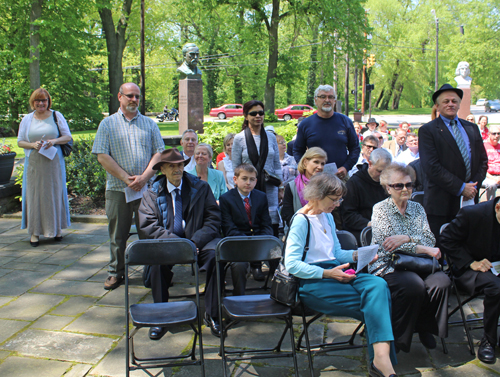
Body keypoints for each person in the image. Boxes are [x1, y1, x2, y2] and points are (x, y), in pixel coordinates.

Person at [285, 173, 397, 377]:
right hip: (314, 281)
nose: (337, 205)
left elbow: (336, 253)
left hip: (339, 271)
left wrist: (360, 254)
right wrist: (327, 273)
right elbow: (291, 264)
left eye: (339, 200)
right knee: (378, 305)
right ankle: (383, 362)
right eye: (334, 200)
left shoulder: (327, 216)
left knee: (378, 285)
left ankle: (381, 361)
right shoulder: (301, 221)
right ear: (318, 195)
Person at [138, 148, 222, 338]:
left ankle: (213, 314)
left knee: (216, 256)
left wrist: (194, 241)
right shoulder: (151, 194)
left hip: (197, 242)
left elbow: (213, 219)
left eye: (180, 165)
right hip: (168, 244)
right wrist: (177, 244)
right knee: (157, 263)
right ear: (163, 170)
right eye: (171, 166)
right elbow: (147, 226)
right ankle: (160, 316)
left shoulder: (200, 188)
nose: (177, 170)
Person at [369, 163, 451, 353]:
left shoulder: (417, 208)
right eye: (399, 185)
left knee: (442, 282)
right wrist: (421, 247)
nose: (405, 189)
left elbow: (430, 239)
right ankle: (399, 339)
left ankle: (424, 327)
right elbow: (387, 245)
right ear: (388, 188)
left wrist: (407, 238)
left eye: (409, 184)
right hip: (389, 265)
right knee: (414, 286)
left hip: (419, 264)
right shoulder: (380, 209)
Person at [92, 82, 164, 290]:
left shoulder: (149, 124)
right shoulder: (107, 124)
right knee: (117, 234)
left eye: (137, 97)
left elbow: (158, 153)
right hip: (117, 189)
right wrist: (125, 178)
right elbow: (102, 155)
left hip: (146, 189)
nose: (134, 100)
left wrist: (143, 177)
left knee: (148, 232)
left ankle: (151, 272)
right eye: (130, 96)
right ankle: (116, 272)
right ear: (120, 97)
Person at [419, 83, 488, 239]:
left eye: (454, 101)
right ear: (437, 105)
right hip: (441, 203)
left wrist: (472, 187)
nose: (451, 104)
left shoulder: (472, 128)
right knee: (442, 249)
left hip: (470, 199)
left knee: (468, 244)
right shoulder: (428, 131)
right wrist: (460, 187)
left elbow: (483, 161)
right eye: (446, 101)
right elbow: (431, 166)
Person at [440, 197, 500, 364]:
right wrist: (471, 262)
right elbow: (446, 239)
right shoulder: (472, 214)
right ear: (498, 207)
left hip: (495, 265)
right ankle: (488, 341)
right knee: (496, 288)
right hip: (469, 267)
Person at [232, 100, 281, 280]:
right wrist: (241, 184)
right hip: (248, 187)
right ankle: (255, 264)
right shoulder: (239, 139)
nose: (258, 116)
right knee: (251, 221)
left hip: (269, 187)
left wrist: (280, 185)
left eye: (261, 112)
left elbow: (276, 164)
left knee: (271, 222)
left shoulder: (271, 137)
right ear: (246, 116)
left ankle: (273, 260)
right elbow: (236, 165)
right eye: (253, 113)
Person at [17, 88, 72, 247]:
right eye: (37, 100)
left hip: (53, 161)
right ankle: (35, 232)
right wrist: (33, 145)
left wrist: (53, 141)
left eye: (44, 100)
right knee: (34, 196)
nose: (41, 103)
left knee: (55, 193)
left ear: (48, 102)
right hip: (34, 163)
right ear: (33, 102)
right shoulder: (27, 119)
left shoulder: (56, 116)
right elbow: (20, 141)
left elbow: (67, 136)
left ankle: (57, 230)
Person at [219, 163, 273, 295]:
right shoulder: (226, 199)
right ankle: (238, 296)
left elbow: (266, 223)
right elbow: (228, 228)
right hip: (238, 242)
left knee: (280, 255)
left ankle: (280, 294)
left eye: (252, 179)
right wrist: (248, 242)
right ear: (235, 179)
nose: (248, 182)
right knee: (239, 265)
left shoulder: (260, 197)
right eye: (244, 178)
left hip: (259, 239)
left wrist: (263, 239)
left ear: (256, 181)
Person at [293, 85, 360, 181]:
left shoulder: (345, 121)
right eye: (323, 97)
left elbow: (355, 148)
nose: (327, 100)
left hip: (340, 177)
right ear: (315, 100)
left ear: (335, 101)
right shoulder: (306, 124)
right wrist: (306, 169)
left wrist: (346, 167)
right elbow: (297, 150)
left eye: (331, 97)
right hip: (314, 178)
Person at [342, 148, 392, 243]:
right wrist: (370, 224)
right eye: (380, 171)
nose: (383, 175)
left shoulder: (389, 182)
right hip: (362, 231)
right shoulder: (354, 183)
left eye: (387, 172)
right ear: (370, 164)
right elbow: (348, 215)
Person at [281, 147, 327, 227]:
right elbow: (288, 216)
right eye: (316, 162)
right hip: (298, 230)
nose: (320, 167)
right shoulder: (292, 186)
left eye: (322, 164)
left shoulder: (327, 186)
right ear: (305, 162)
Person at [482, 125, 500, 200]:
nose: (497, 136)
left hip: (499, 175)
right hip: (487, 176)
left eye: (499, 133)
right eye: (494, 133)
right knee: (492, 184)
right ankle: (491, 206)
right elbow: (481, 167)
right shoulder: (483, 147)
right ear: (489, 134)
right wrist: (493, 178)